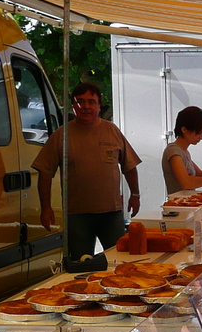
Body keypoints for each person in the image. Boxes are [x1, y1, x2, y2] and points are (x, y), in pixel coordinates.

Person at [34, 82, 141, 260]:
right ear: (73, 106)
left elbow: (129, 166)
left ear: (99, 106)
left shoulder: (112, 131)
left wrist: (135, 195)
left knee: (119, 261)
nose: (85, 106)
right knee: (81, 263)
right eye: (80, 102)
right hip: (76, 217)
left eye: (91, 102)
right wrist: (45, 207)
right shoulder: (61, 135)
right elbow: (44, 172)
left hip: (111, 214)